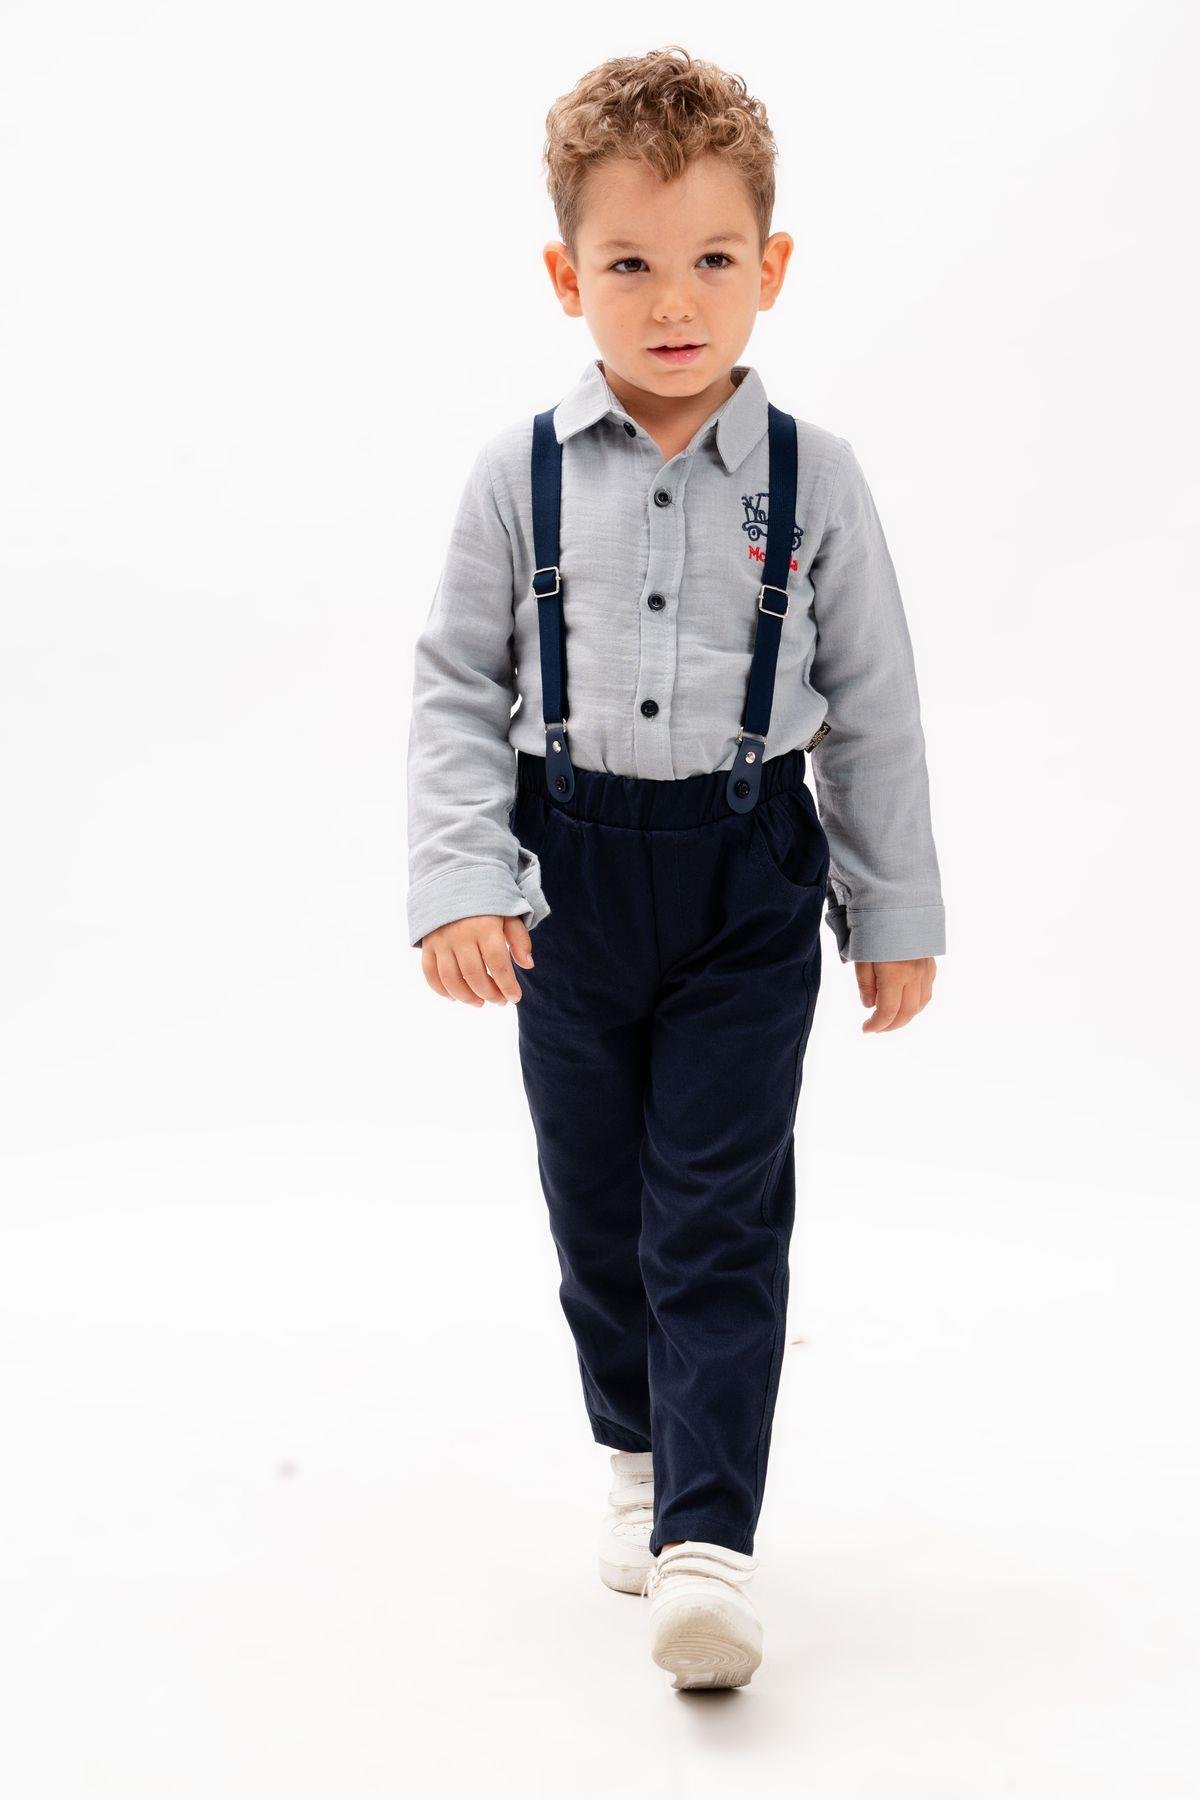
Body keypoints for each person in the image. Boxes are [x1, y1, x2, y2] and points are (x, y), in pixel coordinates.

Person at [405, 45, 946, 1692]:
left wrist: (893, 911)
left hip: (745, 883)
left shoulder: (816, 478)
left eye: (712, 257)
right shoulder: (517, 475)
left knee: (716, 1205)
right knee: (597, 1204)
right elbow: (455, 685)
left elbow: (874, 704)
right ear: (566, 275)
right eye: (629, 263)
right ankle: (639, 1450)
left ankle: (710, 1541)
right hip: (567, 884)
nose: (673, 299)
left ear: (770, 267)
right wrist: (461, 877)